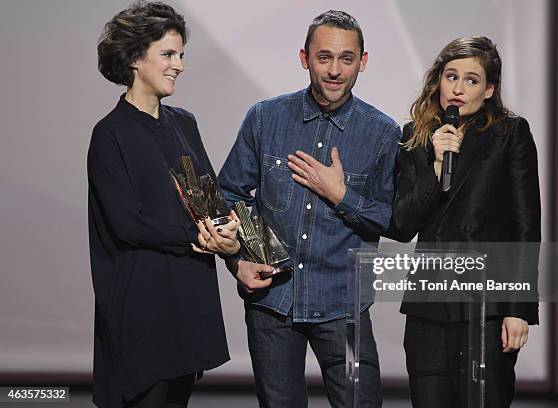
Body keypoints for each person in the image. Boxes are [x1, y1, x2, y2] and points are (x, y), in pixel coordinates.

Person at [218, 10, 401, 408]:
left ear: (362, 62)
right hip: (272, 305)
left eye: (346, 59)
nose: (335, 70)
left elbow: (394, 220)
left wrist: (341, 195)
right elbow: (229, 193)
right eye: (324, 58)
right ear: (305, 58)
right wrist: (241, 260)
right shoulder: (265, 118)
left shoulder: (384, 134)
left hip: (343, 305)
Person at [89, 2, 240, 407]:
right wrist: (200, 238)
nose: (179, 65)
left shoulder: (184, 122)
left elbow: (213, 198)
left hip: (188, 298)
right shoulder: (110, 135)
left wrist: (230, 235)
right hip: (142, 308)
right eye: (168, 54)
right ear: (135, 58)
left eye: (181, 55)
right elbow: (126, 224)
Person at [392, 36, 540, 407]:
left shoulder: (510, 134)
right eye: (450, 76)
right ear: (437, 81)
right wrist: (437, 166)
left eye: (471, 80)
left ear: (489, 89)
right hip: (429, 306)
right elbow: (402, 223)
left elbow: (525, 227)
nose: (458, 89)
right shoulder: (415, 137)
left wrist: (518, 310)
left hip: (486, 307)